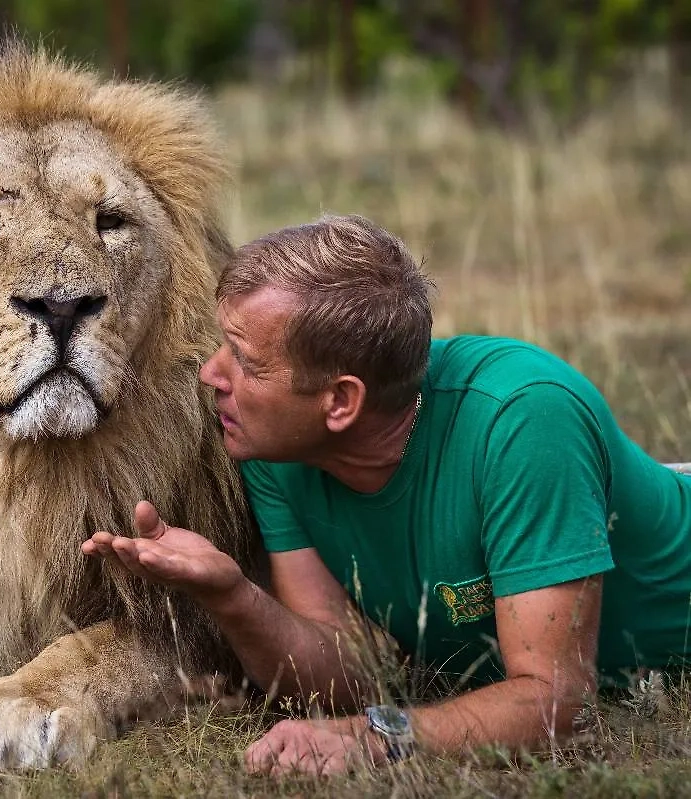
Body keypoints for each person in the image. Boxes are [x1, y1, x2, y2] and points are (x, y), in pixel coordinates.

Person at [81, 214, 691, 776]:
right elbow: (345, 673)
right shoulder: (277, 448)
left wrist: (377, 737)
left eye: (245, 360)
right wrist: (232, 593)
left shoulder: (526, 420)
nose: (212, 374)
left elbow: (556, 701)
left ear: (341, 402)